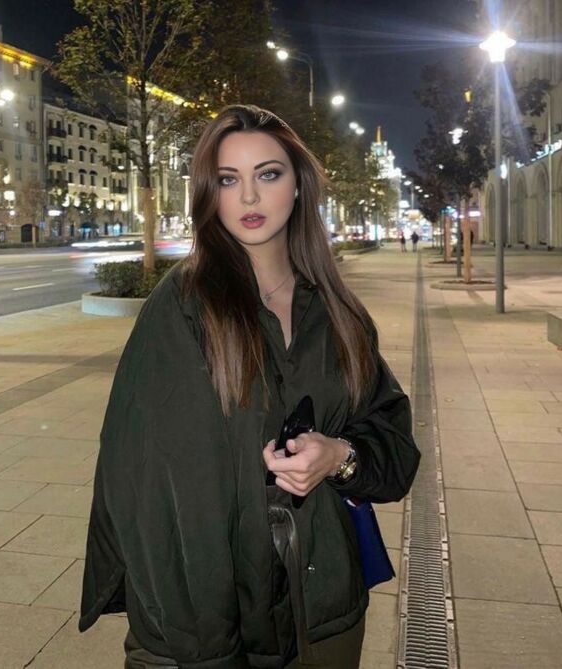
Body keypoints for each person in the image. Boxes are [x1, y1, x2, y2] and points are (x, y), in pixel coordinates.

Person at [79, 104, 420, 669]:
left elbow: (395, 449)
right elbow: (149, 491)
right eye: (227, 179)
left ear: (298, 185)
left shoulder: (337, 313)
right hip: (211, 626)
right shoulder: (184, 307)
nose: (249, 197)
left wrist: (340, 456)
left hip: (324, 610)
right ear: (208, 193)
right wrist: (199, 651)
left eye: (268, 173)